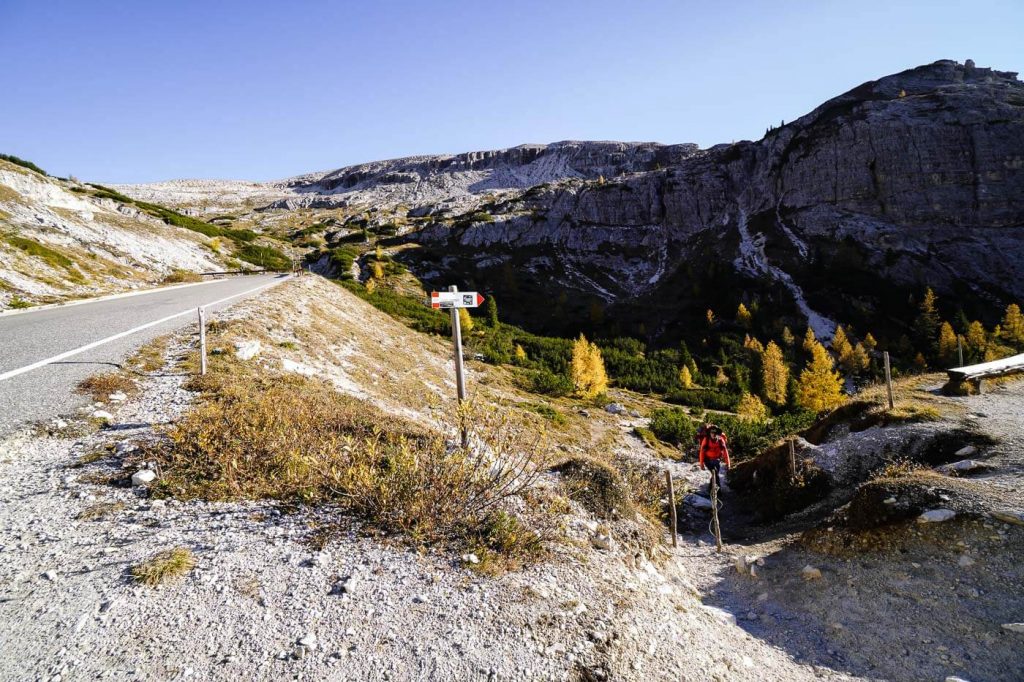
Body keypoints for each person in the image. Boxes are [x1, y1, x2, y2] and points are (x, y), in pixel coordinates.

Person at [699, 427, 731, 491]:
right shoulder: (706, 439)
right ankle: (718, 492)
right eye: (712, 433)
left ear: (717, 434)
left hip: (717, 460)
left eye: (715, 433)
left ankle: (711, 490)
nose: (713, 434)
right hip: (708, 460)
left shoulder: (721, 440)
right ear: (710, 433)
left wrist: (728, 464)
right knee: (715, 473)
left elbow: (725, 452)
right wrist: (701, 464)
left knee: (715, 475)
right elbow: (702, 452)